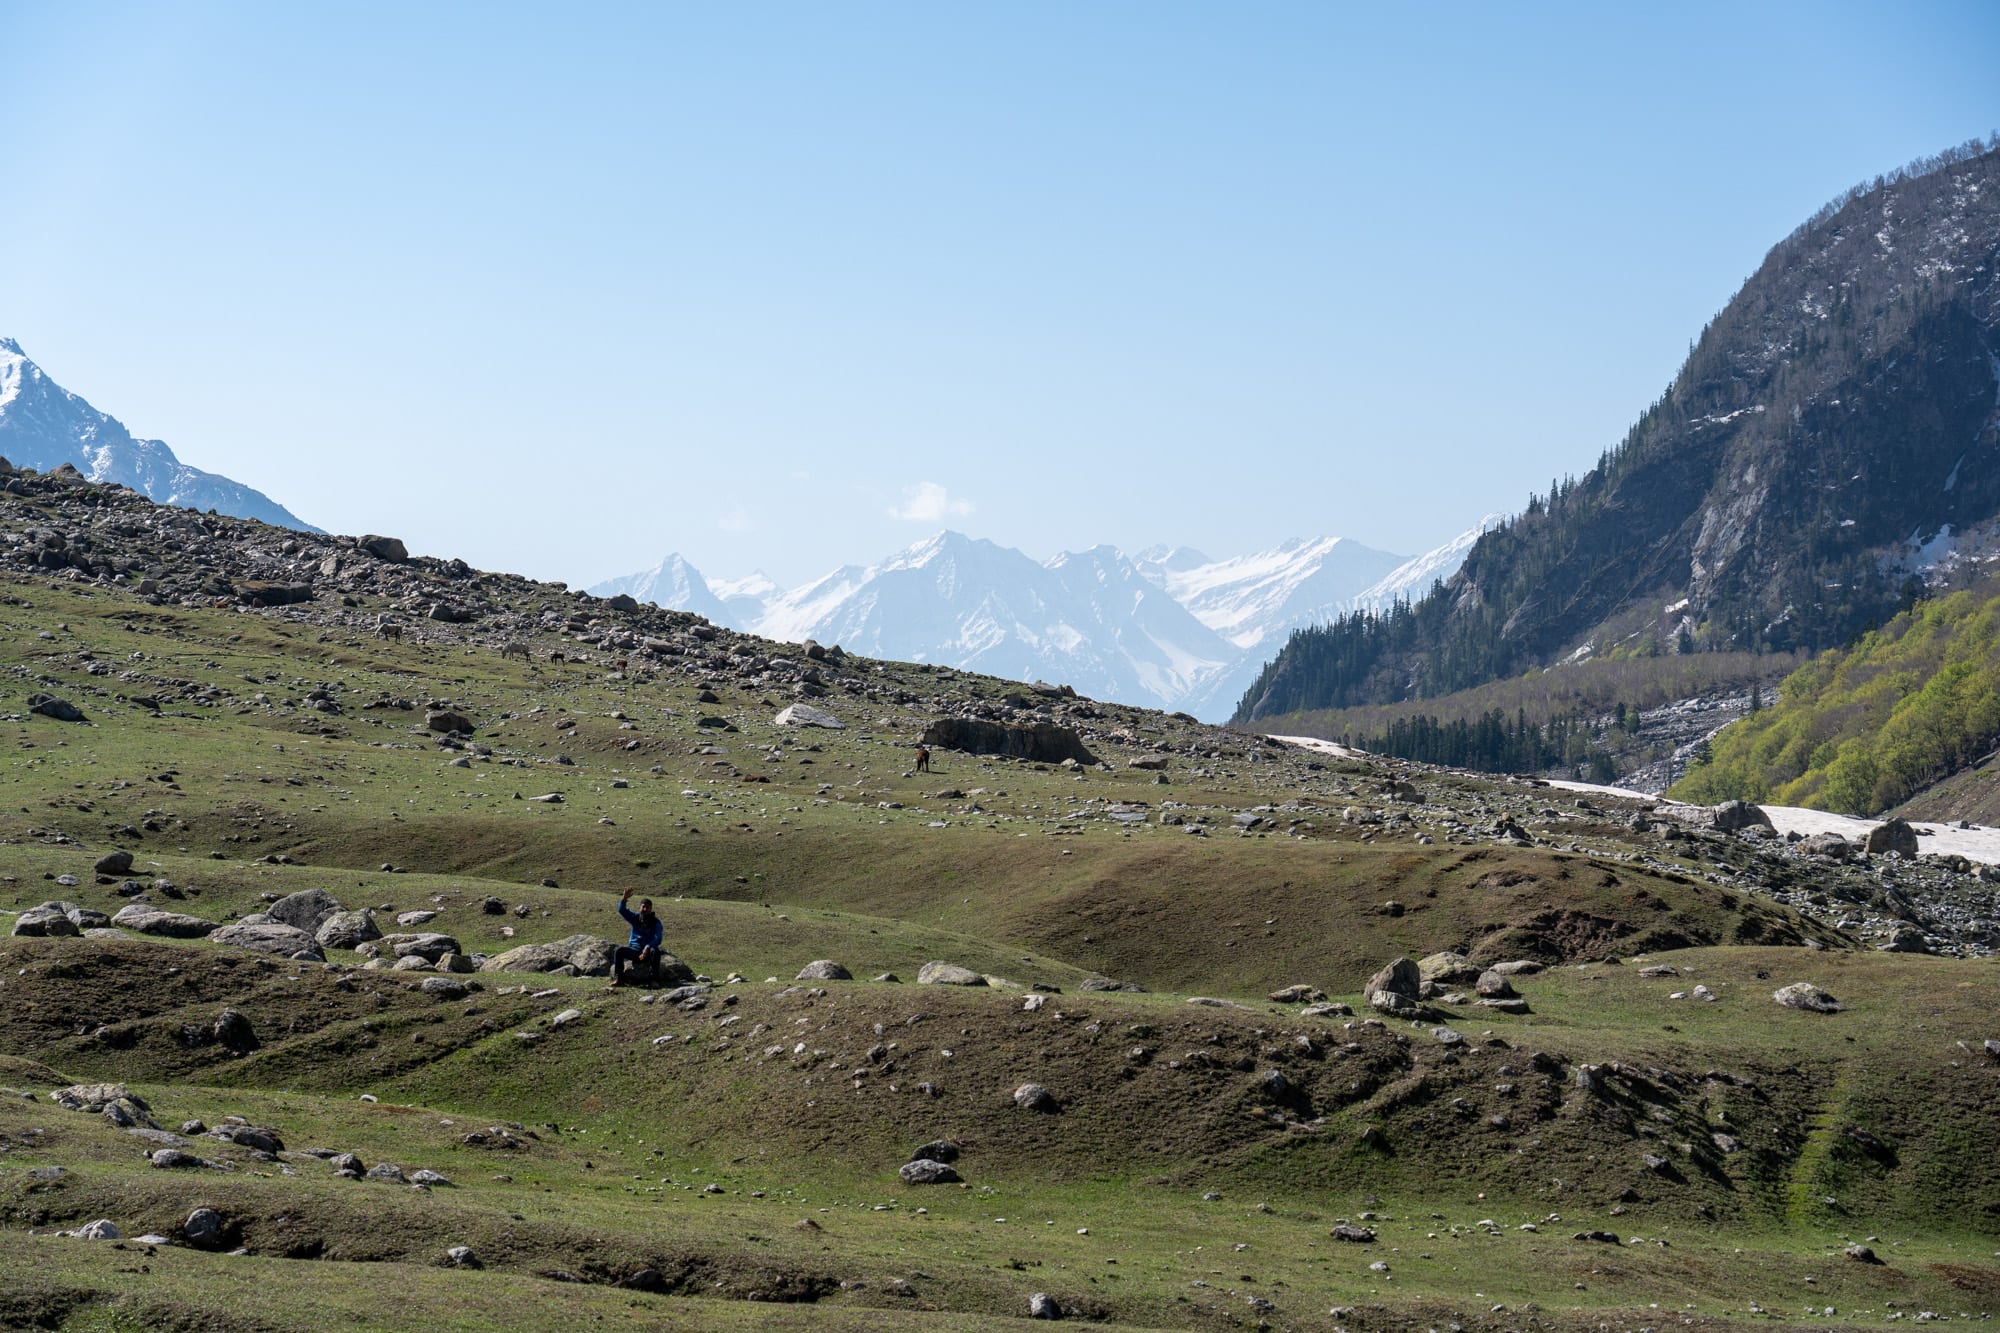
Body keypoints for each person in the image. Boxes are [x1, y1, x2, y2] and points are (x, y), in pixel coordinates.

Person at [610, 888, 663, 988]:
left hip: (647, 953)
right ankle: (619, 979)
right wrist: (624, 898)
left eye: (648, 907)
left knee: (656, 951)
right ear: (639, 908)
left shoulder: (656, 922)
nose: (645, 909)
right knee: (619, 950)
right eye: (643, 907)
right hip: (634, 951)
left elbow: (658, 938)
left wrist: (648, 946)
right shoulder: (635, 918)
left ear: (651, 908)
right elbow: (622, 910)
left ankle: (653, 980)